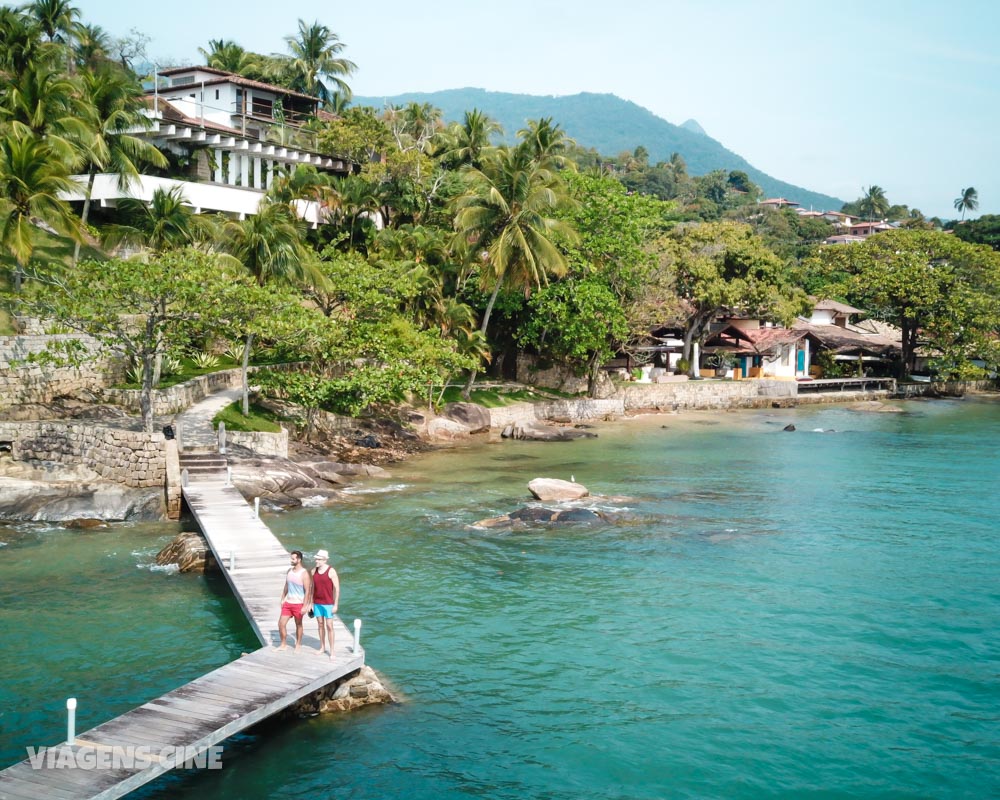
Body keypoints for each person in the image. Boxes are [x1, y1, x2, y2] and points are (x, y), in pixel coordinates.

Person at [275, 550, 312, 652]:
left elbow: (308, 591)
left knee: (298, 624)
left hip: (299, 604)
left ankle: (298, 644)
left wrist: (305, 606)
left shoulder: (304, 573)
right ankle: (283, 644)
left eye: (293, 558)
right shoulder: (289, 571)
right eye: (291, 558)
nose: (291, 560)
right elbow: (286, 585)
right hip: (288, 603)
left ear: (299, 559)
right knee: (281, 624)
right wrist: (282, 598)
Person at [311, 549, 340, 659]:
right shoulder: (314, 571)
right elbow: (311, 587)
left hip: (328, 603)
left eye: (318, 559)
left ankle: (332, 650)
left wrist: (335, 604)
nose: (316, 561)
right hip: (317, 602)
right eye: (316, 559)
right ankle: (322, 647)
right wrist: (310, 602)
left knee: (329, 626)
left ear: (324, 560)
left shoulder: (331, 571)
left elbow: (337, 589)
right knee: (320, 624)